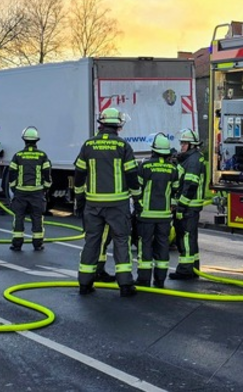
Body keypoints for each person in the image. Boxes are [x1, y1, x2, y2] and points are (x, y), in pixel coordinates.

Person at [73, 107, 140, 297]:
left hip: (93, 203)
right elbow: (132, 175)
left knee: (92, 241)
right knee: (121, 240)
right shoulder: (123, 146)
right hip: (118, 204)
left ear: (101, 124)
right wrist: (137, 198)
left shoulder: (88, 145)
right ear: (118, 126)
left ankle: (85, 283)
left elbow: (79, 173)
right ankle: (125, 284)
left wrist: (79, 198)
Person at [135, 134, 180, 289]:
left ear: (153, 150)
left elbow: (137, 189)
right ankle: (160, 279)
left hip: (146, 215)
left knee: (145, 245)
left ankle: (144, 278)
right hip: (164, 216)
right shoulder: (172, 169)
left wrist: (138, 206)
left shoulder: (145, 166)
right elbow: (175, 191)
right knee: (162, 246)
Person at [170, 128, 209, 280]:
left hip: (188, 206)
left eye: (184, 143)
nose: (182, 146)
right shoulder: (192, 158)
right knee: (190, 237)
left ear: (192, 145)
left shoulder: (192, 161)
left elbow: (190, 185)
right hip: (190, 206)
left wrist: (181, 206)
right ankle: (193, 268)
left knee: (185, 237)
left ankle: (186, 270)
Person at [6, 126, 51, 251]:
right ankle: (37, 244)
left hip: (21, 192)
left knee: (19, 217)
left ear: (24, 140)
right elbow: (47, 173)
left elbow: (12, 172)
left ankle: (17, 244)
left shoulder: (18, 155)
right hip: (37, 192)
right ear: (37, 140)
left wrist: (13, 187)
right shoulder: (42, 155)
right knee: (37, 217)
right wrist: (45, 187)